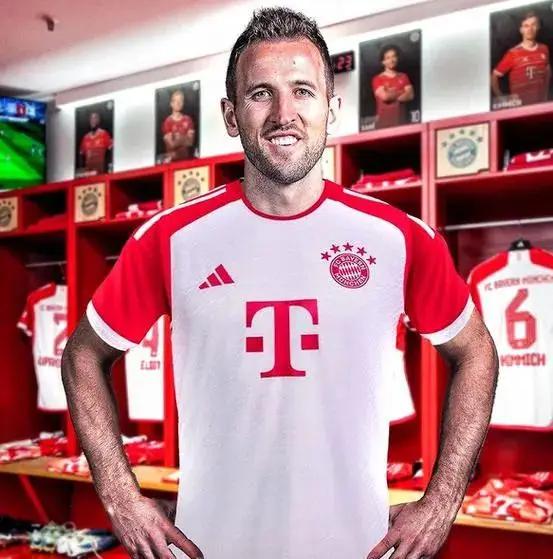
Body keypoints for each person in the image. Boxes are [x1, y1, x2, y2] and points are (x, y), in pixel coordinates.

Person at [62, 7, 498, 559]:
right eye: (260, 93)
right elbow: (83, 354)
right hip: (211, 546)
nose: (283, 114)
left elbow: (476, 351)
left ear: (331, 108)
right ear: (230, 114)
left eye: (303, 91)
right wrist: (121, 497)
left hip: (356, 548)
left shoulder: (399, 238)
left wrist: (442, 502)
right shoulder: (169, 239)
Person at [492, 11, 551, 106]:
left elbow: (547, 69)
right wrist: (501, 98)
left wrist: (545, 94)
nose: (530, 29)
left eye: (533, 25)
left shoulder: (544, 49)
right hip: (521, 108)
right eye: (526, 26)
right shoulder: (513, 53)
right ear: (521, 30)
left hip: (540, 106)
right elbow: (494, 75)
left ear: (538, 27)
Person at [372, 45, 414, 128]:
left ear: (397, 58)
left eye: (393, 56)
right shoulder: (377, 79)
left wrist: (391, 93)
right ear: (383, 62)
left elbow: (410, 95)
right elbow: (385, 97)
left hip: (402, 123)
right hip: (383, 125)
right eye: (388, 58)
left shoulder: (403, 76)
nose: (391, 60)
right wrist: (402, 92)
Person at [161, 89, 196, 162]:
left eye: (180, 100)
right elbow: (171, 144)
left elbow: (190, 142)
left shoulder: (188, 120)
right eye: (176, 101)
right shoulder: (167, 122)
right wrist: (184, 138)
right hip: (172, 161)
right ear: (171, 103)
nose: (178, 103)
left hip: (186, 160)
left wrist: (178, 138)